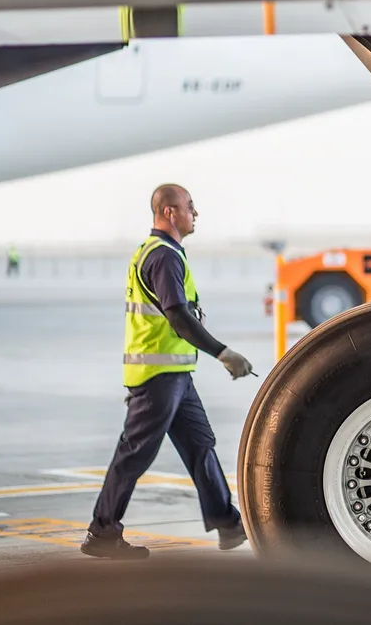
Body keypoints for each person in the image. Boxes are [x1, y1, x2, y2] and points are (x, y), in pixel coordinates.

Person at [81, 183, 255, 560]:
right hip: (158, 376)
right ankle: (102, 532)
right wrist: (222, 352)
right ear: (170, 213)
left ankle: (227, 523)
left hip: (176, 374)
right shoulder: (163, 257)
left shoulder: (162, 252)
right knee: (135, 454)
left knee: (200, 444)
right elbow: (177, 317)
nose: (196, 214)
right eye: (190, 207)